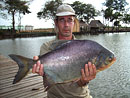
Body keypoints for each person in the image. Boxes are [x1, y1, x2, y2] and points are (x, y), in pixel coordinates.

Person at [32, 4, 96, 98]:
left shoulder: (83, 48)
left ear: (74, 22)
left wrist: (84, 80)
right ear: (56, 22)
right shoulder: (46, 47)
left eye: (70, 20)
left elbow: (80, 83)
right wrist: (40, 70)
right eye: (62, 20)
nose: (66, 25)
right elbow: (49, 77)